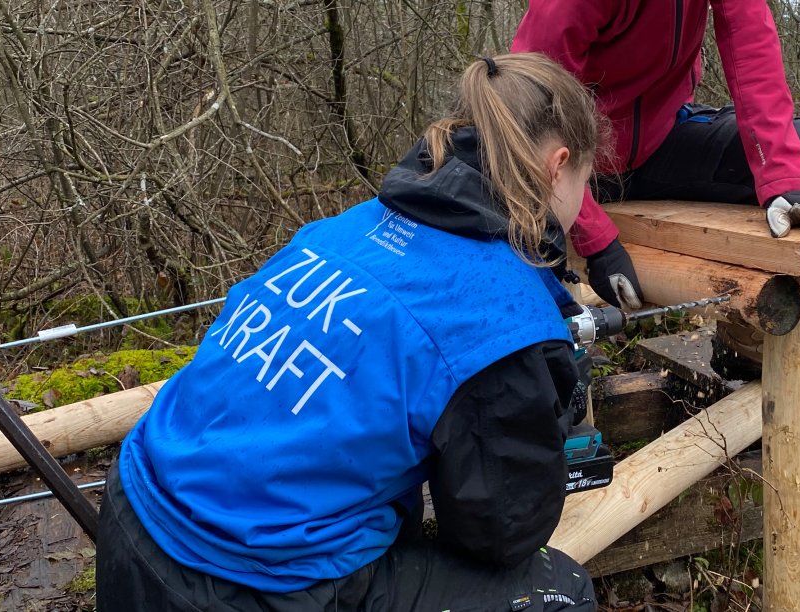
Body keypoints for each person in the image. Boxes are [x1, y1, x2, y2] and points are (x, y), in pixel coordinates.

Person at [95, 53, 599, 611]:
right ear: (558, 166)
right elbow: (502, 534)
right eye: (586, 185)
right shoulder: (496, 315)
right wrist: (543, 404)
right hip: (245, 588)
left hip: (129, 517)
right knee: (560, 592)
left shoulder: (340, 231)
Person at [511, 1, 800, 404]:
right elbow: (530, 112)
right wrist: (594, 237)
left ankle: (751, 348)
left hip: (659, 141)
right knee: (509, 195)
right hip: (572, 162)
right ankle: (541, 365)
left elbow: (753, 57)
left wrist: (785, 181)